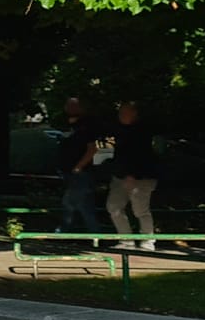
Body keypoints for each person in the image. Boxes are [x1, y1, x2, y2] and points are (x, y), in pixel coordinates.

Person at [106, 101, 160, 251]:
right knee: (114, 206)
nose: (120, 115)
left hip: (140, 178)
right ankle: (126, 241)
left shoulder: (142, 131)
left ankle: (148, 242)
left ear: (134, 113)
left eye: (124, 112)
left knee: (140, 210)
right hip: (121, 176)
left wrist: (132, 174)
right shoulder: (120, 130)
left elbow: (142, 155)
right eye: (120, 112)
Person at [55, 97, 104, 235]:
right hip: (68, 170)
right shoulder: (66, 124)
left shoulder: (89, 125)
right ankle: (95, 235)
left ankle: (61, 233)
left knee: (69, 202)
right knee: (85, 205)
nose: (69, 108)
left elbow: (93, 148)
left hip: (81, 172)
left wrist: (79, 166)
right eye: (68, 105)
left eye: (73, 106)